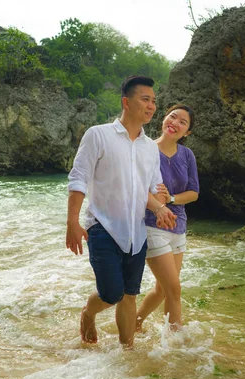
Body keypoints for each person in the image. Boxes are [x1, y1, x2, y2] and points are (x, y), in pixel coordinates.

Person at [66, 75, 176, 348]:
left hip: (136, 233)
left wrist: (160, 206)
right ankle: (88, 313)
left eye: (154, 101)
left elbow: (149, 191)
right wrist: (72, 222)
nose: (151, 106)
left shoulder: (150, 148)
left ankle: (128, 354)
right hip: (102, 227)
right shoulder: (98, 135)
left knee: (129, 296)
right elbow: (78, 177)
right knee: (112, 293)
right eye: (145, 99)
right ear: (127, 102)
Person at [136, 104, 199, 332]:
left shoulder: (187, 155)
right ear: (164, 119)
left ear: (187, 133)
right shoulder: (145, 149)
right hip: (152, 225)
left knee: (163, 289)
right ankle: (176, 343)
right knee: (174, 289)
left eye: (183, 122)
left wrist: (171, 198)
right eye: (173, 117)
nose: (176, 123)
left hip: (178, 227)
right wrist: (158, 205)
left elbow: (193, 193)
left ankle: (135, 322)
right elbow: (137, 188)